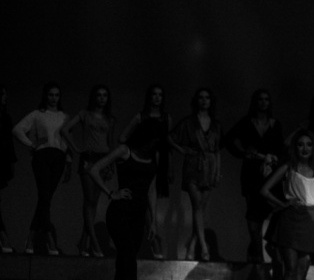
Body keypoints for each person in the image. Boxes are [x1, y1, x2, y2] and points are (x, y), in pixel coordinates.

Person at [90, 122, 161, 280]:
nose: (154, 145)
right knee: (129, 262)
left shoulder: (154, 156)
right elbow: (94, 169)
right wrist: (111, 193)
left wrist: (153, 221)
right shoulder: (124, 151)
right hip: (119, 213)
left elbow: (152, 189)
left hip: (138, 217)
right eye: (152, 141)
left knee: (124, 264)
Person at [260, 130, 314, 280]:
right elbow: (264, 190)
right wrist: (283, 205)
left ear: (313, 148)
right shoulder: (288, 168)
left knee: (302, 270)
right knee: (290, 268)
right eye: (300, 144)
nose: (304, 148)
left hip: (310, 223)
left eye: (308, 144)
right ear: (295, 148)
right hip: (291, 221)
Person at [11, 82, 72, 255]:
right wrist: (31, 144)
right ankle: (49, 239)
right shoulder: (37, 114)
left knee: (45, 198)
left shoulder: (64, 116)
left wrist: (68, 162)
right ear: (45, 96)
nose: (54, 98)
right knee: (45, 197)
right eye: (51, 94)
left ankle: (31, 237)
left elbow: (67, 140)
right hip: (42, 156)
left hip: (58, 157)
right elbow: (17, 130)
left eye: (57, 95)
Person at [225, 89, 285, 263]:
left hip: (270, 172)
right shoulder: (247, 122)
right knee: (253, 212)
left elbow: (281, 148)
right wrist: (244, 152)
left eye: (266, 99)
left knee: (273, 208)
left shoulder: (275, 124)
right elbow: (229, 139)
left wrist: (274, 159)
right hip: (251, 171)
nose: (263, 102)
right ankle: (257, 254)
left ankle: (267, 247)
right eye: (260, 99)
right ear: (255, 102)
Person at [62, 84, 117, 257]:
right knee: (89, 200)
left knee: (94, 203)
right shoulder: (84, 114)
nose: (102, 98)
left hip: (103, 160)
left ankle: (84, 243)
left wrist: (111, 164)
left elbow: (111, 143)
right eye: (99, 95)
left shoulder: (110, 119)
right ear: (94, 97)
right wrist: (76, 148)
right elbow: (65, 130)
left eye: (105, 95)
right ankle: (93, 243)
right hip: (89, 158)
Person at [118, 85, 172, 259]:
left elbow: (167, 144)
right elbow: (122, 137)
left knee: (151, 197)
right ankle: (151, 243)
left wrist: (169, 166)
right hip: (143, 159)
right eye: (154, 94)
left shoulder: (166, 118)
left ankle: (152, 241)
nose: (157, 98)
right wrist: (135, 151)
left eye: (160, 94)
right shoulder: (140, 117)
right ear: (149, 97)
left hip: (157, 160)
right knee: (143, 198)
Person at [169, 88, 223, 261]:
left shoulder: (216, 124)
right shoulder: (189, 122)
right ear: (196, 100)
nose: (204, 100)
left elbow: (217, 150)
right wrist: (182, 150)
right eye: (201, 97)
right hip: (193, 165)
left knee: (201, 209)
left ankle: (191, 246)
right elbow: (170, 138)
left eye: (207, 98)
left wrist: (218, 172)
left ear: (211, 101)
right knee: (197, 206)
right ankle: (204, 247)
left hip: (210, 166)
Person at [0, 85, 16, 253]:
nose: (6, 97)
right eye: (3, 94)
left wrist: (11, 164)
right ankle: (3, 238)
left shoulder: (6, 117)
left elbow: (8, 144)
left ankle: (3, 239)